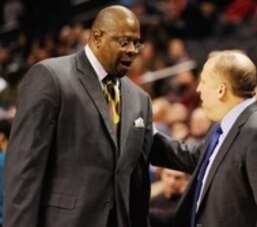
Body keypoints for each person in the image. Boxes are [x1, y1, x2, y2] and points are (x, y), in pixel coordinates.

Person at [4, 5, 154, 227]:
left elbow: (146, 157)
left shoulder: (140, 98)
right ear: (97, 38)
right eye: (124, 42)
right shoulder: (51, 77)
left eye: (136, 43)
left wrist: (216, 144)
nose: (132, 50)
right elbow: (24, 170)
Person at [151, 50, 257, 227]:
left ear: (221, 90)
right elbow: (196, 158)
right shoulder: (223, 123)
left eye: (203, 82)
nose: (198, 89)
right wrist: (147, 136)